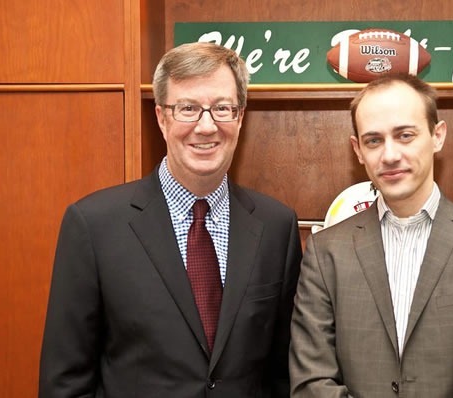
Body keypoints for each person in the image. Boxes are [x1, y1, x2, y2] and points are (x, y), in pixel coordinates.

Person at [39, 42, 302, 397]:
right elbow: (65, 382)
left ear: (240, 117)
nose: (206, 126)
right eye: (188, 108)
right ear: (162, 118)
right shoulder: (93, 226)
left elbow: (283, 374)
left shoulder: (277, 227)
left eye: (222, 108)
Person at [289, 73, 453, 397]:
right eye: (373, 140)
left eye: (405, 135)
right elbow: (311, 383)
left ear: (437, 135)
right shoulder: (325, 252)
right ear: (357, 150)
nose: (389, 155)